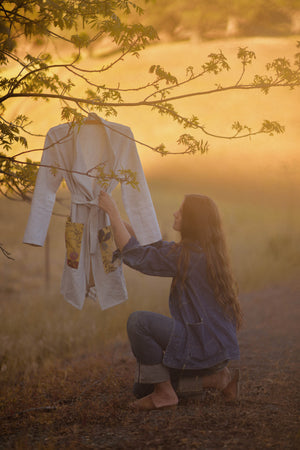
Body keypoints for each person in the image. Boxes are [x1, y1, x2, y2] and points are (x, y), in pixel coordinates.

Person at [98, 191, 242, 411]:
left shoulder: (189, 257)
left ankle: (165, 393)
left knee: (138, 322)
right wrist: (117, 221)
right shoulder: (198, 251)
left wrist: (113, 211)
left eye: (181, 212)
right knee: (142, 388)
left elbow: (140, 257)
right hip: (212, 348)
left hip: (202, 345)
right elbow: (153, 248)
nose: (175, 213)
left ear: (192, 221)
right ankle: (216, 379)